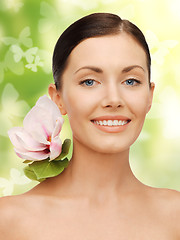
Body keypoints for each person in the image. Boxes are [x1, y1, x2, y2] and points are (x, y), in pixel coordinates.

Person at [0, 12, 180, 239]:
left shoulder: (175, 216)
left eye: (131, 81)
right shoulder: (8, 220)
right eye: (89, 81)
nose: (113, 99)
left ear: (149, 96)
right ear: (58, 99)